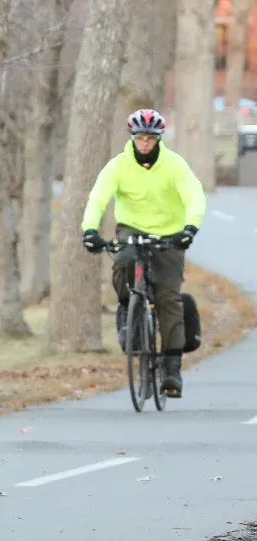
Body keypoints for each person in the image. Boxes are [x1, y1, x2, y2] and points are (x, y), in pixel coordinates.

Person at [81, 108, 206, 397]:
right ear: (132, 137)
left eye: (150, 138)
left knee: (168, 297)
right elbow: (98, 197)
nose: (145, 143)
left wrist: (189, 229)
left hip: (170, 234)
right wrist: (90, 230)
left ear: (159, 138)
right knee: (122, 260)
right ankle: (128, 307)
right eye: (140, 137)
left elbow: (194, 196)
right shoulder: (118, 165)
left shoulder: (174, 165)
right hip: (131, 230)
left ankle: (172, 370)